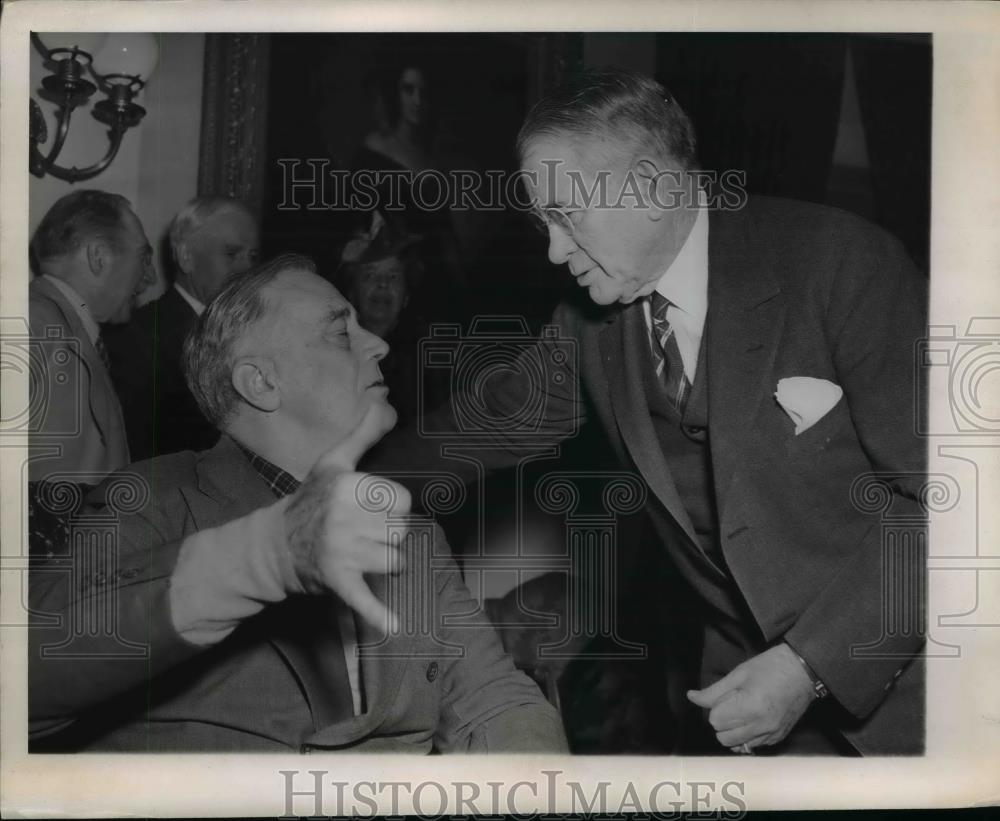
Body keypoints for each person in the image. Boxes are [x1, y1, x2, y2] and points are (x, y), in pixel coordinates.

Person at [365, 68, 928, 755]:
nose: (553, 250)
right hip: (740, 710)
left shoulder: (841, 265)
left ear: (656, 189)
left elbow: (959, 505)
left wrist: (808, 665)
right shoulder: (591, 322)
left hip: (914, 701)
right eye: (542, 222)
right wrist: (341, 481)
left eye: (567, 217)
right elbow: (480, 427)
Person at [28, 253, 567, 754]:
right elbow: (31, 680)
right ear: (260, 382)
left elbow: (497, 703)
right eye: (340, 332)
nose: (377, 344)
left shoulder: (412, 537)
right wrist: (269, 554)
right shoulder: (151, 500)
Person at [104, 197, 260, 461]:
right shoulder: (139, 338)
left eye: (252, 256)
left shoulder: (254, 333)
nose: (247, 268)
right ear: (186, 257)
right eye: (232, 254)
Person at [28, 190, 156, 484]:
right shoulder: (33, 323)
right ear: (98, 256)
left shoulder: (62, 324)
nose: (150, 278)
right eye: (142, 258)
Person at [352, 63, 464, 321]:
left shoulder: (430, 159)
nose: (418, 100)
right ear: (395, 94)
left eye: (423, 91)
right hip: (389, 282)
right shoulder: (374, 150)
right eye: (408, 90)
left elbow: (445, 236)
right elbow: (360, 224)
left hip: (434, 286)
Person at [339, 211, 449, 427]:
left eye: (393, 276)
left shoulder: (430, 358)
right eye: (369, 275)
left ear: (406, 296)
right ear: (352, 293)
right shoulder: (333, 354)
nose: (382, 284)